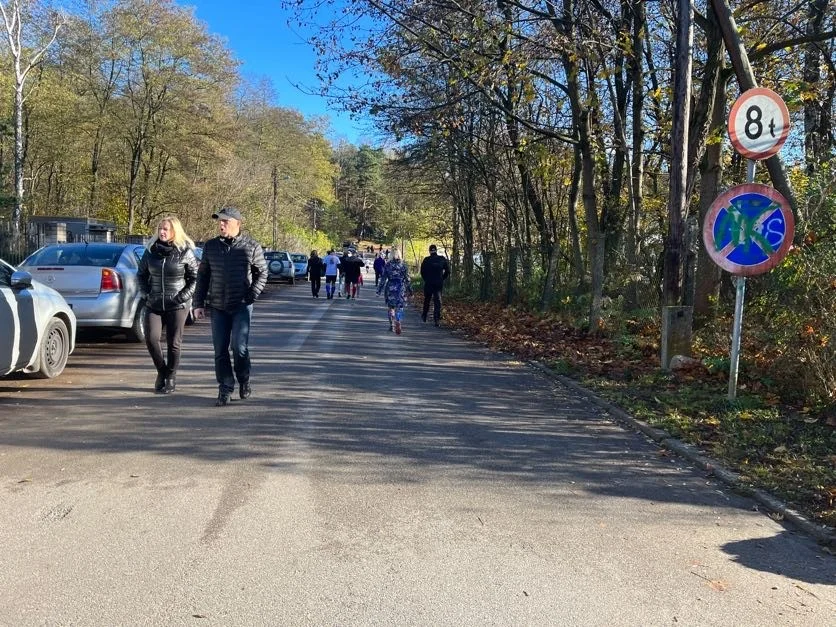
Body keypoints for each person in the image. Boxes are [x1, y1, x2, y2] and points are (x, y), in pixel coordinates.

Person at [192, 207, 267, 407]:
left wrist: (251, 295)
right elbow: (203, 276)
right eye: (219, 221)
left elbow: (262, 273)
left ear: (238, 223)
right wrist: (198, 303)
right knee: (220, 350)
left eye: (225, 221)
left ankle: (244, 378)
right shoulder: (210, 246)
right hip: (218, 306)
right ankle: (225, 387)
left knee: (239, 348)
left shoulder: (251, 246)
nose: (221, 224)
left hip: (241, 305)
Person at [137, 216, 199, 394]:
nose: (162, 232)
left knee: (174, 343)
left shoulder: (184, 251)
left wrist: (182, 297)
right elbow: (141, 275)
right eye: (160, 229)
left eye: (166, 229)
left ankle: (171, 376)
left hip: (177, 304)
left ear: (175, 232)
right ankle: (162, 371)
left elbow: (194, 278)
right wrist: (146, 294)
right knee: (151, 338)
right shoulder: (150, 251)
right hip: (154, 302)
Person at [377, 248, 412, 334]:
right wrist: (410, 290)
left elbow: (383, 279)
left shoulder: (388, 265)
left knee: (391, 307)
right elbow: (407, 279)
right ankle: (398, 320)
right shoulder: (403, 265)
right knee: (400, 307)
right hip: (400, 287)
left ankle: (392, 325)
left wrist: (379, 291)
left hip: (390, 287)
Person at [420, 244, 450, 327]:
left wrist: (426, 279)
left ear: (429, 251)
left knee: (427, 300)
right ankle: (436, 319)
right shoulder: (442, 259)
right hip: (438, 283)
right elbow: (447, 271)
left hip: (429, 282)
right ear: (436, 250)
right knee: (438, 301)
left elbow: (422, 272)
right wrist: (442, 278)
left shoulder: (426, 260)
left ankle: (424, 315)